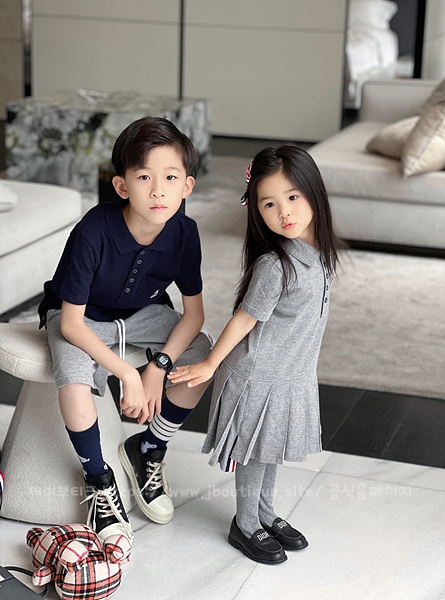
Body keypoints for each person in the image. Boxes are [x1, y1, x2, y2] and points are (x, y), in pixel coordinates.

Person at [38, 117, 211, 551]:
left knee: (202, 352)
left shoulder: (185, 233)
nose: (158, 191)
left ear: (187, 186)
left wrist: (159, 366)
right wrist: (128, 373)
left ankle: (148, 448)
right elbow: (71, 323)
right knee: (73, 377)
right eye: (144, 177)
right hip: (79, 316)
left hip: (143, 315)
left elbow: (193, 316)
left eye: (170, 178)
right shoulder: (93, 230)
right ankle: (98, 479)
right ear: (122, 186)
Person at [168, 145, 339, 565]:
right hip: (257, 376)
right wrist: (210, 363)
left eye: (293, 196)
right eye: (269, 203)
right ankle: (245, 524)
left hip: (289, 373)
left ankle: (265, 512)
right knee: (254, 451)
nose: (284, 212)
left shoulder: (317, 256)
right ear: (256, 210)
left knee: (270, 447)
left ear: (314, 192)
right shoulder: (276, 266)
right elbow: (244, 320)